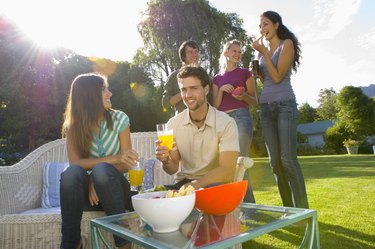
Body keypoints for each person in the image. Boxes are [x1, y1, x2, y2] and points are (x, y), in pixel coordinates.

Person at [60, 73, 139, 249]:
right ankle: (71, 243)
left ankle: (124, 243)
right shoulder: (73, 126)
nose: (109, 93)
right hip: (89, 196)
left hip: (117, 190)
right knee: (70, 175)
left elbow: (127, 164)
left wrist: (97, 175)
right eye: (103, 89)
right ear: (89, 96)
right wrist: (109, 162)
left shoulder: (120, 119)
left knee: (102, 171)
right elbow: (75, 163)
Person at [252, 10, 309, 208]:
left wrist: (265, 53)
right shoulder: (261, 52)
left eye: (265, 24)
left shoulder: (287, 44)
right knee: (275, 163)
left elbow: (277, 77)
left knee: (287, 160)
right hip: (266, 109)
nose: (262, 29)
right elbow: (266, 79)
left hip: (285, 106)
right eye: (260, 26)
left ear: (276, 25)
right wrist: (258, 71)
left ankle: (301, 210)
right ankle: (288, 210)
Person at [156, 65, 240, 190]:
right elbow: (172, 169)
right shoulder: (173, 124)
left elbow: (227, 170)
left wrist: (194, 186)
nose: (188, 95)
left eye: (193, 88)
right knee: (147, 199)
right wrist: (165, 160)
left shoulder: (226, 123)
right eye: (183, 90)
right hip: (184, 184)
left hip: (214, 184)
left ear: (206, 89)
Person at [212, 39, 257, 203]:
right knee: (225, 165)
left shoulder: (245, 73)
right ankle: (233, 206)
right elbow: (215, 106)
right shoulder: (217, 78)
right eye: (234, 51)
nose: (237, 54)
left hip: (241, 117)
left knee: (241, 162)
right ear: (226, 53)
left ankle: (249, 209)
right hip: (223, 121)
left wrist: (243, 95)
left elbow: (254, 101)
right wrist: (222, 91)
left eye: (239, 52)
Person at [162, 40, 200, 115]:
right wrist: (184, 92)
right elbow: (165, 102)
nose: (194, 55)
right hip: (182, 122)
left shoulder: (205, 75)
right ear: (183, 56)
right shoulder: (174, 76)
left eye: (196, 51)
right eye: (190, 52)